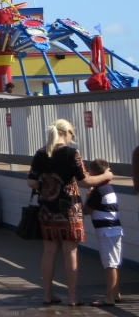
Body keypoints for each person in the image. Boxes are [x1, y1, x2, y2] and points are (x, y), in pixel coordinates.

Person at [27, 119, 109, 306]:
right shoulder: (72, 153)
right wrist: (105, 176)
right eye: (73, 134)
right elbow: (84, 181)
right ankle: (72, 297)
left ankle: (47, 295)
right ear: (66, 133)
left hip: (47, 209)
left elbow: (31, 182)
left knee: (49, 252)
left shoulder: (40, 153)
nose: (73, 137)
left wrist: (46, 187)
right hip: (69, 209)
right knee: (70, 252)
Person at [84, 159, 122, 307]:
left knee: (109, 264)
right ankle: (116, 293)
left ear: (93, 173)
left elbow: (87, 210)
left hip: (106, 231)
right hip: (115, 230)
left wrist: (87, 197)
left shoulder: (98, 191)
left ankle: (108, 297)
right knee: (114, 263)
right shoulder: (108, 188)